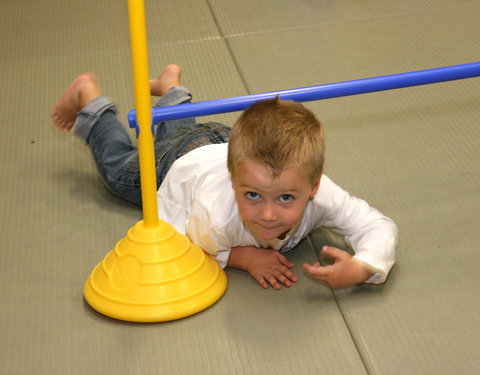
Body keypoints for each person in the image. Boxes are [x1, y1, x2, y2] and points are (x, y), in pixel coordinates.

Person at [52, 64, 397, 290]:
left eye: (286, 198)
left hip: (225, 145)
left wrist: (364, 265)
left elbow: (376, 225)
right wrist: (244, 258)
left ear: (314, 186)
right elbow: (185, 241)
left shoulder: (322, 195)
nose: (267, 214)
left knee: (185, 128)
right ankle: (90, 99)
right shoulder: (215, 215)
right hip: (178, 164)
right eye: (252, 196)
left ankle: (172, 88)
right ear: (234, 182)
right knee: (119, 171)